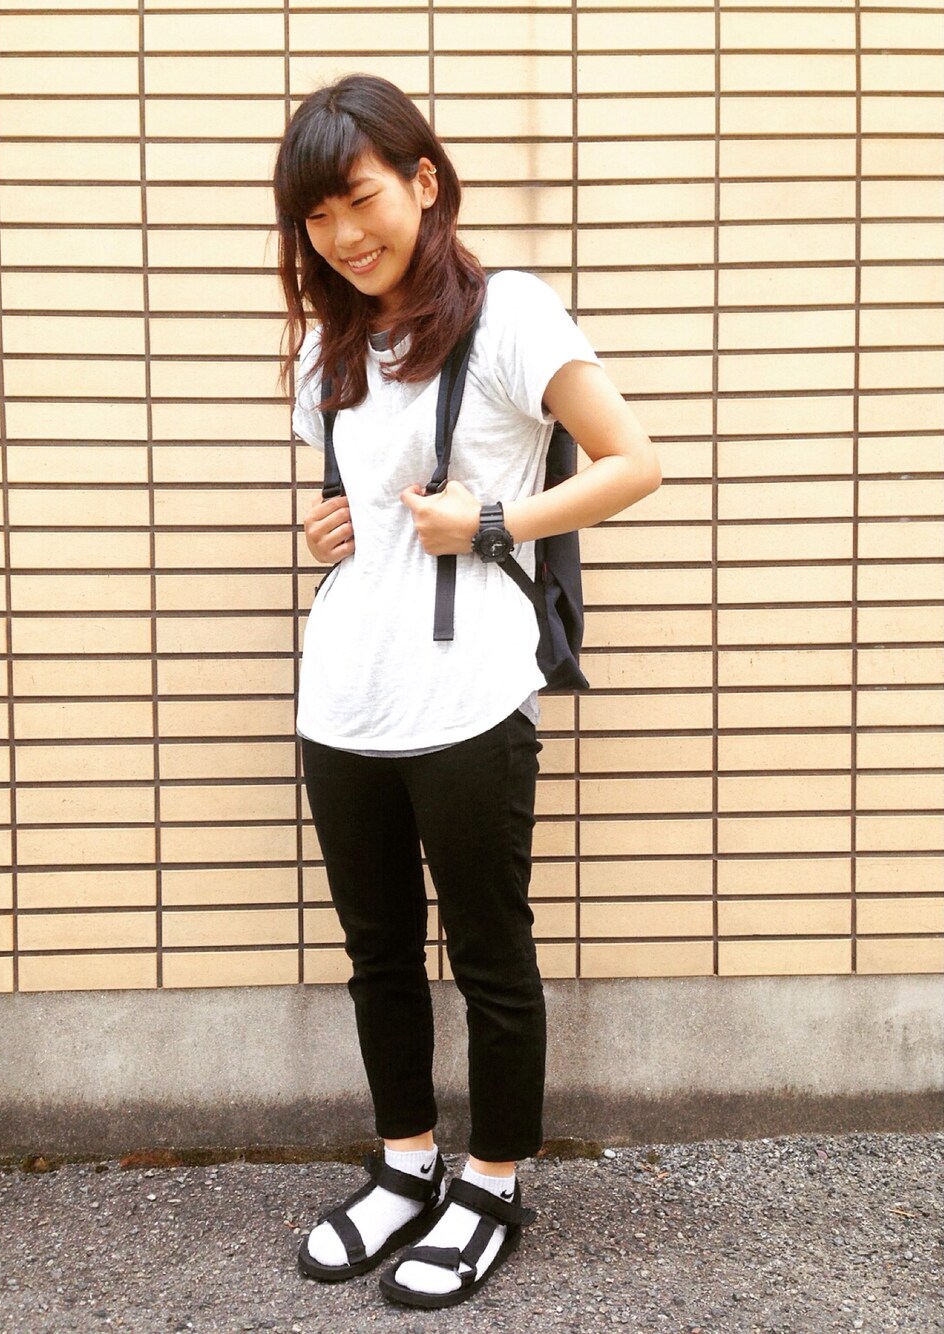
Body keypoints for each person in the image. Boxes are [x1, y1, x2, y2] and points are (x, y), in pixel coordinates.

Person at [273, 74, 660, 1310]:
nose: (342, 234)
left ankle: (489, 1181)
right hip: (343, 693)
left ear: (423, 180)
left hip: (470, 694)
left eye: (360, 198)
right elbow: (358, 495)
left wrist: (491, 520)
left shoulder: (510, 315)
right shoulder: (327, 345)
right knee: (377, 951)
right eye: (316, 216)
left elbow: (632, 462)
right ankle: (405, 1163)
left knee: (489, 951)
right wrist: (324, 529)